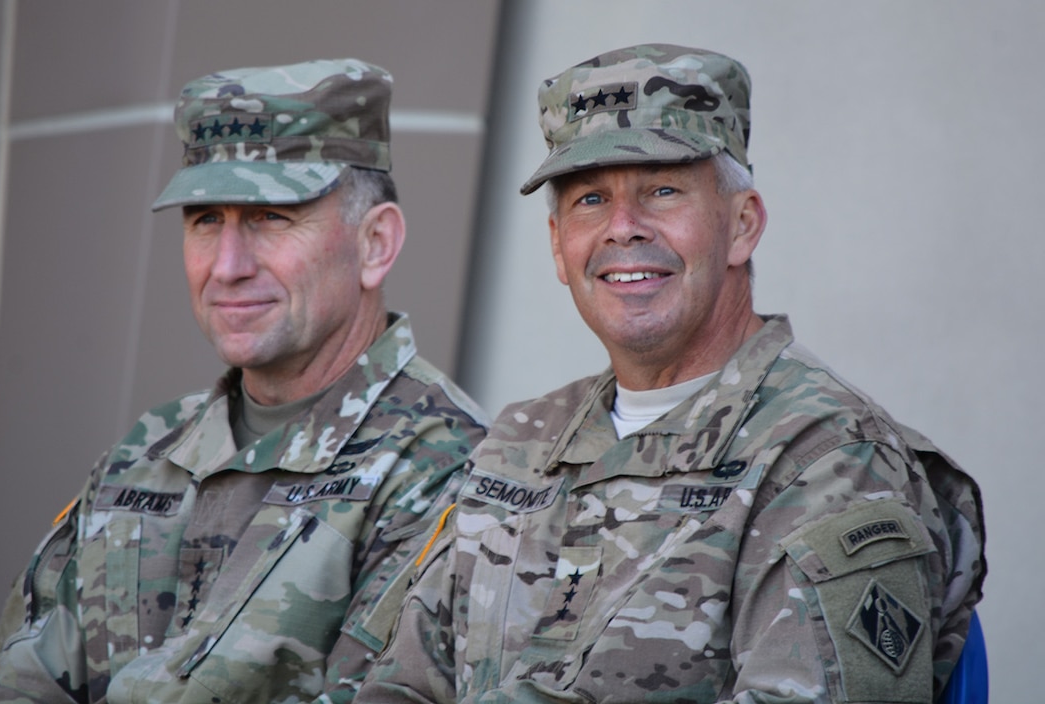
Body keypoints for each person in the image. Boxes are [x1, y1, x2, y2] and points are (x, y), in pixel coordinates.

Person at [356, 44, 985, 703]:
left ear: (742, 226)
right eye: (591, 199)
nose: (622, 228)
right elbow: (401, 687)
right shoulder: (520, 443)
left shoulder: (830, 458)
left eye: (663, 190)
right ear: (557, 249)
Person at [0, 58, 488, 704]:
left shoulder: (450, 470)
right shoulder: (147, 452)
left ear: (376, 243)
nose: (227, 265)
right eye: (205, 219)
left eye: (272, 217)